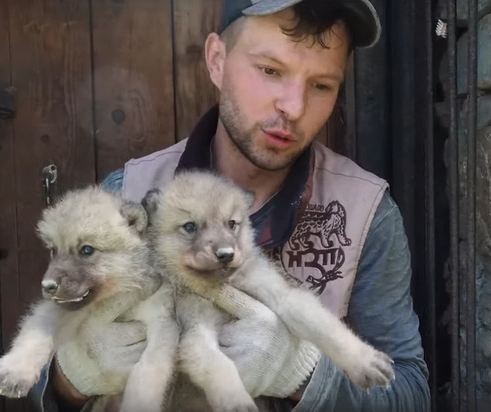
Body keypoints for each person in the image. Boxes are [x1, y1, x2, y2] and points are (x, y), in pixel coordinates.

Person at [29, 0, 431, 411]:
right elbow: (40, 376)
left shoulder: (364, 211)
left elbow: (411, 394)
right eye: (270, 71)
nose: (293, 108)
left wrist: (303, 373)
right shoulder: (128, 194)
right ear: (217, 60)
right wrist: (76, 370)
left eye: (322, 85)